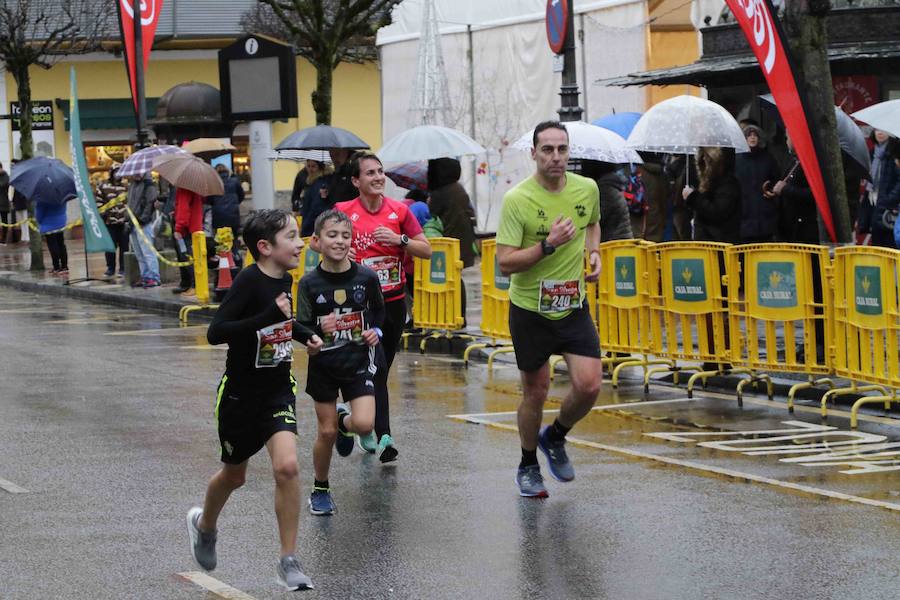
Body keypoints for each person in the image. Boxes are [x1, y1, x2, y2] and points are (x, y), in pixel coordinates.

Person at [187, 209, 323, 591]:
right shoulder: (248, 280)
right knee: (235, 475)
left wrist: (304, 334)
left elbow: (278, 322)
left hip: (277, 388)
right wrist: (266, 316)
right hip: (240, 395)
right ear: (265, 247)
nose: (300, 243)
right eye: (292, 236)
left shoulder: (286, 277)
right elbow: (218, 332)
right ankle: (205, 526)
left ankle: (288, 560)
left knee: (288, 467)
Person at [496, 121, 602, 498]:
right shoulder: (518, 200)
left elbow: (592, 223)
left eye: (562, 149)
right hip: (531, 310)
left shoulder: (587, 189)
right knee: (536, 391)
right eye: (547, 150)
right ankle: (527, 464)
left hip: (572, 304)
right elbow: (505, 263)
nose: (555, 157)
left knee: (589, 385)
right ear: (534, 154)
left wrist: (593, 253)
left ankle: (554, 436)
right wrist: (549, 245)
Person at [335, 152, 432, 462]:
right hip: (358, 308)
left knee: (380, 367)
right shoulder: (342, 212)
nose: (378, 177)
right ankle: (382, 434)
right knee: (372, 367)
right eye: (370, 173)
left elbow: (426, 250)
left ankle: (349, 421)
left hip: (392, 303)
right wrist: (341, 250)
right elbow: (317, 243)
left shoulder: (399, 210)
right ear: (356, 181)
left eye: (380, 172)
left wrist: (399, 239)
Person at [297, 209, 385, 516]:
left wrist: (376, 331)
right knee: (326, 432)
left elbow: (378, 313)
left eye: (346, 236)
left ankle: (348, 425)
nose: (340, 241)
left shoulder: (366, 277)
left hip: (359, 358)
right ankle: (320, 488)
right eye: (332, 235)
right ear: (317, 242)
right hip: (323, 364)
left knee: (364, 424)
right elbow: (301, 325)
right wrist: (317, 332)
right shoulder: (308, 283)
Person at [682, 146, 741, 244]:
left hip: (719, 244)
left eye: (707, 159)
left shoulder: (728, 184)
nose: (704, 161)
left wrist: (693, 197)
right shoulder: (707, 182)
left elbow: (717, 212)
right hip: (706, 243)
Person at [768, 135, 819, 244]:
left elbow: (814, 194)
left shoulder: (809, 163)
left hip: (803, 229)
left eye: (787, 137)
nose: (786, 141)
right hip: (788, 227)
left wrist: (786, 189)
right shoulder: (794, 161)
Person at [735, 124, 781, 243]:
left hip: (764, 210)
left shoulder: (767, 158)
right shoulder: (737, 160)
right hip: (744, 211)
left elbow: (776, 179)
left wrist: (771, 191)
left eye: (755, 135)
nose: (752, 138)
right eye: (749, 135)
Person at [580, 160, 633, 242]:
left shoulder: (605, 189)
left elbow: (596, 219)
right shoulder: (609, 185)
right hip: (618, 241)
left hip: (615, 245)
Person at [126, 174, 161, 288]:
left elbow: (149, 204)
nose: (137, 174)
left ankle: (154, 277)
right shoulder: (132, 185)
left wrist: (142, 220)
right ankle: (145, 276)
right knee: (139, 254)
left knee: (148, 252)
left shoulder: (149, 185)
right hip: (133, 224)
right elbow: (130, 204)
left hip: (143, 224)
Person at [96, 168, 129, 277]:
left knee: (124, 247)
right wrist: (104, 215)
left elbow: (129, 202)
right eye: (116, 172)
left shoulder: (126, 187)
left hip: (123, 222)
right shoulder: (103, 186)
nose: (118, 174)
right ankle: (110, 268)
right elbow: (98, 202)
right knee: (110, 246)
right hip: (109, 222)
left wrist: (127, 216)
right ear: (112, 173)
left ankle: (123, 268)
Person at [869, 134, 900, 248]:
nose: (879, 133)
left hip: (888, 207)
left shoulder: (892, 152)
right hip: (874, 201)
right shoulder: (873, 152)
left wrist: (888, 199)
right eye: (877, 130)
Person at [212, 165, 246, 266]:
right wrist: (234, 204)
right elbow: (241, 195)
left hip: (218, 217)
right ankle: (236, 262)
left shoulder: (214, 184)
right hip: (233, 216)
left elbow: (208, 200)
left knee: (220, 242)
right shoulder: (234, 181)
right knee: (234, 240)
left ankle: (223, 265)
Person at [173, 186, 205, 294]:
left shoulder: (183, 189)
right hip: (195, 227)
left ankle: (194, 286)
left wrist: (178, 228)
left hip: (187, 230)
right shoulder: (195, 189)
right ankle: (194, 285)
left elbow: (183, 210)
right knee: (194, 257)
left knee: (187, 257)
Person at [637, 153, 672, 242]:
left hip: (642, 221)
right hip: (659, 220)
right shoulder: (662, 175)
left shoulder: (639, 173)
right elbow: (666, 197)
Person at [299, 159, 334, 237]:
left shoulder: (320, 183)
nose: (310, 169)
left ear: (320, 167)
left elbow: (316, 207)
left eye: (313, 166)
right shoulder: (313, 181)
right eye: (308, 166)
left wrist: (305, 227)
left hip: (312, 227)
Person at [35, 200, 69, 276]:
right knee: (61, 244)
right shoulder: (61, 196)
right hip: (61, 222)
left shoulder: (43, 199)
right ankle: (64, 266)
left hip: (48, 224)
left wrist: (39, 221)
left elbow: (39, 214)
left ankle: (56, 267)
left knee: (52, 245)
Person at [0, 162, 10, 245]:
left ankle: (4, 239)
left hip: (3, 203)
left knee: (4, 221)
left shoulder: (6, 176)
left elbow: (2, 185)